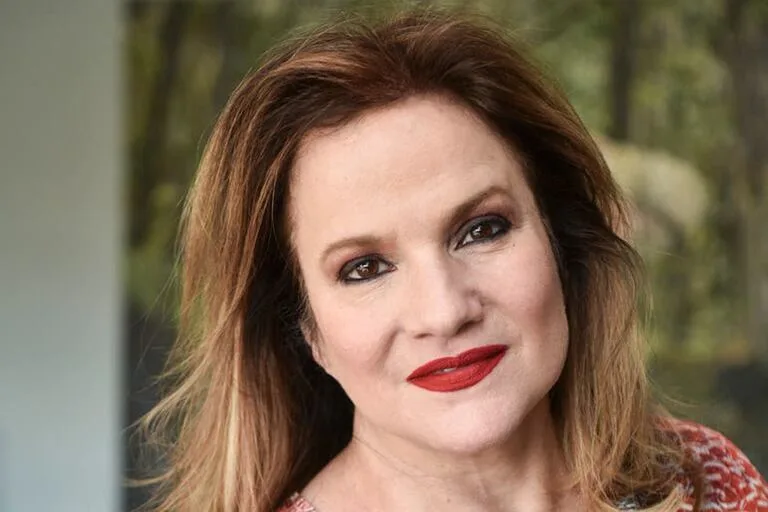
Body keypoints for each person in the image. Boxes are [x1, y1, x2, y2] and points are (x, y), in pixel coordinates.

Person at [142, 9, 768, 512]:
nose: (443, 311)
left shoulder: (707, 480)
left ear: (561, 239)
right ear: (305, 328)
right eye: (365, 268)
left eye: (481, 230)